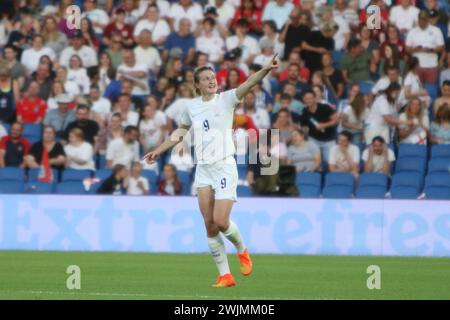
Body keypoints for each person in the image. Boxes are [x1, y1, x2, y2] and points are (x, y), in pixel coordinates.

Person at [143, 55, 279, 288]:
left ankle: (242, 250)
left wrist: (265, 69)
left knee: (221, 220)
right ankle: (225, 275)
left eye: (213, 77)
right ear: (196, 84)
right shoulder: (191, 107)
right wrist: (159, 149)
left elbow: (249, 84)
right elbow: (180, 132)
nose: (211, 81)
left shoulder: (226, 99)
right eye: (205, 78)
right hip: (203, 169)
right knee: (209, 224)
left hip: (224, 165)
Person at [300, 90, 338, 163]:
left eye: (310, 98)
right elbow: (304, 129)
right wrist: (306, 142)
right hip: (314, 140)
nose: (308, 100)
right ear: (303, 100)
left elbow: (336, 120)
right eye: (306, 99)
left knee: (330, 162)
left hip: (329, 139)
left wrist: (324, 125)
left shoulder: (325, 107)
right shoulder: (304, 112)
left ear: (315, 98)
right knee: (314, 161)